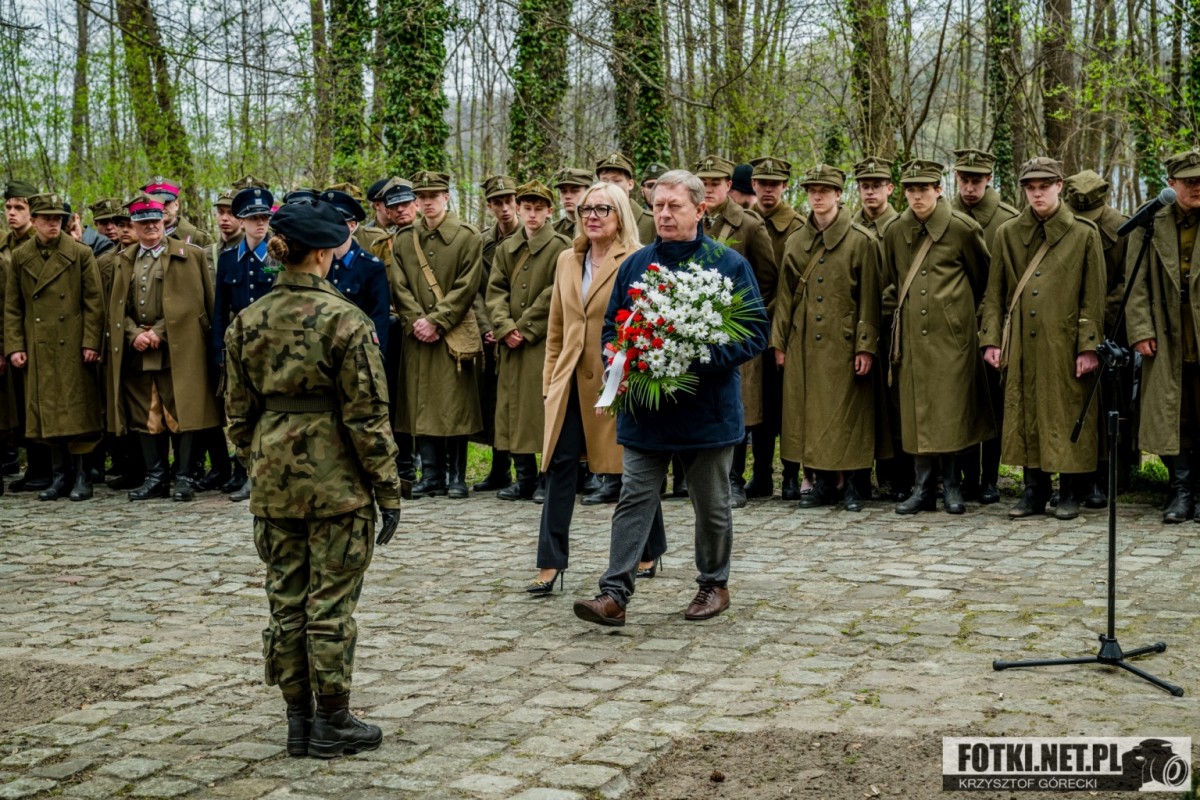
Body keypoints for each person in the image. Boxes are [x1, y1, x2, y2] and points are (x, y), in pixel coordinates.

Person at [223, 200, 401, 759]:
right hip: (336, 484)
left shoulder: (247, 321)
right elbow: (367, 417)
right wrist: (388, 488)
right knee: (330, 606)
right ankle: (332, 720)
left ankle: (298, 721)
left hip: (272, 484)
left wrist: (258, 462)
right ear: (324, 254)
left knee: (286, 602)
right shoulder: (347, 321)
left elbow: (236, 415)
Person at [572, 170, 769, 627]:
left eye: (674, 206)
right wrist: (619, 359)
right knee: (634, 499)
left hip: (707, 410)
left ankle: (714, 584)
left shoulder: (727, 264)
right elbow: (612, 326)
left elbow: (755, 332)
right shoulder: (636, 265)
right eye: (658, 205)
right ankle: (614, 594)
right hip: (646, 410)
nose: (663, 214)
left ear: (700, 210)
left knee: (711, 505)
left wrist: (692, 358)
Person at [533, 182, 667, 592]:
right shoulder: (566, 260)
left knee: (630, 469)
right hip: (570, 379)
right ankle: (550, 562)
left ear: (621, 214)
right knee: (559, 465)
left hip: (616, 379)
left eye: (602, 209)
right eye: (586, 209)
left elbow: (648, 324)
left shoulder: (639, 258)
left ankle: (650, 547)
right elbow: (556, 328)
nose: (591, 216)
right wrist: (550, 382)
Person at [980, 157, 1106, 520]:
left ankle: (1069, 491)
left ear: (1059, 186)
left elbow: (1093, 297)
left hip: (1064, 342)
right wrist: (991, 340)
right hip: (1021, 342)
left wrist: (1088, 346)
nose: (1037, 194)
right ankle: (1034, 490)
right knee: (1025, 412)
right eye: (1031, 188)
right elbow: (995, 294)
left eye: (1044, 187)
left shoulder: (1084, 234)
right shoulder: (1007, 234)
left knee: (1065, 411)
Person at [879, 159, 995, 515]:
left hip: (952, 339)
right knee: (917, 411)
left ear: (939, 189)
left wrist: (958, 318)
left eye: (924, 189)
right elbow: (892, 278)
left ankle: (953, 485)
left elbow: (983, 279)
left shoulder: (963, 228)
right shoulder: (895, 231)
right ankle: (922, 487)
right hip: (912, 338)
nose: (917, 197)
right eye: (911, 190)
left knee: (951, 411)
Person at [771, 165, 884, 512]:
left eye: (824, 190)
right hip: (803, 342)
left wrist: (865, 346)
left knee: (849, 414)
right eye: (812, 191)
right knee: (809, 413)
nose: (817, 197)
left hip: (843, 343)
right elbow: (785, 296)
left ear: (838, 194)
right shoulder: (796, 241)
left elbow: (870, 299)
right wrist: (779, 343)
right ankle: (821, 482)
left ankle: (853, 485)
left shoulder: (861, 241)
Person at [107, 193, 220, 502]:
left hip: (178, 350)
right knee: (145, 414)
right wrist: (133, 334)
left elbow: (197, 304)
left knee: (181, 411)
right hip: (138, 352)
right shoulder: (122, 259)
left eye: (155, 221)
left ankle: (184, 477)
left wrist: (159, 331)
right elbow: (116, 308)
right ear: (134, 225)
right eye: (144, 223)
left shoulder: (190, 255)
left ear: (163, 220)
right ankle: (155, 477)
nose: (151, 227)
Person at [389, 170, 484, 499]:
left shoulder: (468, 237)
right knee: (422, 403)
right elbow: (399, 285)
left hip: (452, 334)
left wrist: (437, 321)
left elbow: (467, 286)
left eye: (434, 196)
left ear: (446, 197)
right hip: (417, 336)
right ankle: (431, 475)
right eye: (422, 197)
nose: (428, 202)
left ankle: (456, 476)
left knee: (456, 404)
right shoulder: (404, 239)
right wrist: (417, 320)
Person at [4, 193, 105, 501]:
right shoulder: (20, 256)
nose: (53, 224)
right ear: (34, 220)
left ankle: (82, 476)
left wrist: (91, 342)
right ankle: (60, 476)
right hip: (39, 345)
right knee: (48, 411)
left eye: (58, 219)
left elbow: (94, 303)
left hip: (73, 345)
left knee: (78, 412)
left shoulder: (80, 253)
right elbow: (13, 306)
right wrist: (15, 346)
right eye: (46, 218)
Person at [693, 154, 777, 507]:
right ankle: (701, 477)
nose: (709, 189)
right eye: (704, 183)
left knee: (739, 404)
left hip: (735, 332)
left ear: (729, 185)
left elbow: (768, 280)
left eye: (716, 183)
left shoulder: (749, 225)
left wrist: (742, 318)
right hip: (694, 331)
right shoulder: (690, 221)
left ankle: (733, 479)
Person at [1124, 149, 1200, 524]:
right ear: (1171, 184)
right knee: (1175, 415)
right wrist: (1140, 331)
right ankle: (1181, 492)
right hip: (1168, 334)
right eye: (1189, 181)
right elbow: (1135, 283)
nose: (1197, 187)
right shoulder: (1151, 222)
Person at [951, 148, 1019, 505]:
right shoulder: (943, 215)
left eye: (976, 180)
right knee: (960, 403)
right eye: (964, 179)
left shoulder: (1008, 220)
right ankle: (966, 477)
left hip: (993, 326)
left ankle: (990, 477)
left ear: (989, 178)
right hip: (952, 329)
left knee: (992, 403)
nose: (970, 187)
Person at [1064, 169, 1132, 508]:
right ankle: (1076, 476)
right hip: (1068, 328)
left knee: (1110, 404)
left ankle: (1109, 476)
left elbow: (1128, 279)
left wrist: (1097, 312)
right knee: (1075, 403)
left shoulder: (1122, 228)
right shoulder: (1064, 225)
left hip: (1112, 328)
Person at [212, 188, 278, 500]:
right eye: (253, 218)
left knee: (270, 409)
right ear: (242, 221)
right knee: (242, 411)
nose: (260, 223)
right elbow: (219, 308)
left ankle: (268, 473)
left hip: (272, 344)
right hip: (239, 345)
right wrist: (218, 350)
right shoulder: (229, 259)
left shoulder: (278, 256)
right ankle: (247, 472)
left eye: (264, 217)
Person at [749, 156, 803, 499]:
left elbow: (793, 282)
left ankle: (791, 475)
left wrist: (765, 314)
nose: (768, 190)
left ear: (784, 186)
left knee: (787, 405)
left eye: (774, 184)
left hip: (784, 326)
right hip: (748, 328)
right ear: (753, 185)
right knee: (759, 404)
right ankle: (761, 474)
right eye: (762, 183)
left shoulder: (797, 226)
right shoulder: (745, 221)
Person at [2, 180, 54, 493]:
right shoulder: (4, 245)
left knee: (41, 403)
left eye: (19, 207)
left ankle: (46, 468)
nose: (11, 213)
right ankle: (33, 467)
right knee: (20, 407)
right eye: (8, 207)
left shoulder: (42, 245)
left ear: (32, 213)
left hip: (42, 334)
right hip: (14, 335)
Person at [474, 175, 521, 493]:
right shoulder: (482, 243)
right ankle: (500, 467)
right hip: (492, 333)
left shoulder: (531, 237)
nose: (505, 208)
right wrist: (487, 327)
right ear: (489, 206)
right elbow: (475, 290)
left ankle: (529, 469)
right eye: (498, 203)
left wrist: (509, 327)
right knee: (495, 401)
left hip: (521, 331)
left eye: (509, 201)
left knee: (524, 401)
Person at [323, 190, 393, 357]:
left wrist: (374, 358)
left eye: (339, 222)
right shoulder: (317, 263)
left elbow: (379, 319)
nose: (333, 228)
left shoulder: (371, 267)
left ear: (352, 226)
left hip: (357, 352)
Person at [595, 152, 658, 243]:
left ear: (630, 184)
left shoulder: (650, 222)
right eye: (604, 181)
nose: (609, 186)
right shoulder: (591, 219)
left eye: (616, 181)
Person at [143, 177, 212, 246]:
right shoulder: (141, 238)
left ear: (176, 205)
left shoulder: (198, 238)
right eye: (155, 203)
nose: (161, 207)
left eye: (166, 202)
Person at [553, 168, 593, 239]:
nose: (567, 196)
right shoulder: (553, 231)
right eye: (563, 191)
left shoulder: (596, 227)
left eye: (575, 191)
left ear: (588, 193)